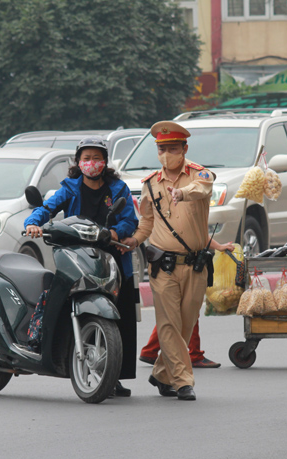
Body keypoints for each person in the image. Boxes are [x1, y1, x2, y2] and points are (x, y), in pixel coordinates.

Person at [24, 137, 139, 398]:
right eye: (86, 158)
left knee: (121, 320)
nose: (92, 163)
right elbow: (46, 209)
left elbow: (129, 221)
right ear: (78, 162)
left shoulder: (118, 189)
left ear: (105, 162)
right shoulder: (69, 188)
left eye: (97, 158)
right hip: (77, 256)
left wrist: (113, 232)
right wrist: (33, 223)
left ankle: (115, 376)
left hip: (112, 258)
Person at [120, 121, 214, 401]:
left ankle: (161, 373)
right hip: (163, 265)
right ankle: (183, 381)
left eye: (172, 148)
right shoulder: (150, 184)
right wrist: (134, 241)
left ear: (185, 148)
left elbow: (203, 189)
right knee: (169, 324)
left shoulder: (201, 175)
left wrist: (182, 193)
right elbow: (147, 222)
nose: (166, 154)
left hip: (195, 264)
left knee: (186, 323)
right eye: (161, 149)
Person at [140, 239, 234, 368]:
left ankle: (150, 351)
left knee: (173, 314)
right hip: (180, 266)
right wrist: (219, 246)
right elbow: (199, 235)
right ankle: (193, 354)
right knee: (187, 312)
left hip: (171, 265)